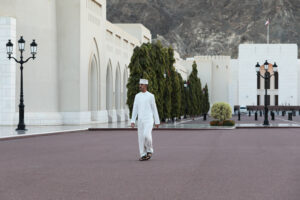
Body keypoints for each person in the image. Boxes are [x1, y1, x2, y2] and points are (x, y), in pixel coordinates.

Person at [131, 79, 160, 161]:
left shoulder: (151, 96)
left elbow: (154, 109)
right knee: (140, 138)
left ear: (146, 85)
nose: (140, 86)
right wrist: (133, 120)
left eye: (142, 84)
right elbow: (135, 109)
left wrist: (157, 121)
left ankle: (149, 150)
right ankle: (143, 154)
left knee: (146, 135)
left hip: (149, 119)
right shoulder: (137, 96)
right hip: (140, 120)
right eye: (140, 84)